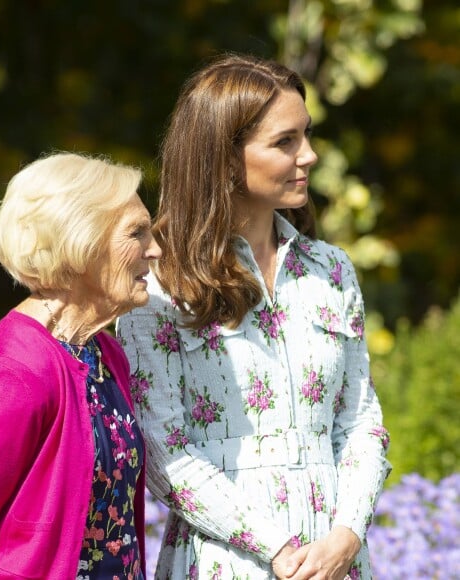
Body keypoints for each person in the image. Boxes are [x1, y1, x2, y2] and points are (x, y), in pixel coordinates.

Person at [117, 54, 391, 580]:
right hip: (224, 563)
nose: (308, 155)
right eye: (285, 142)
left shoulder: (331, 271)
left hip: (338, 563)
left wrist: (346, 537)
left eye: (306, 135)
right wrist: (279, 548)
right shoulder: (159, 283)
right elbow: (162, 449)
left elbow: (361, 423)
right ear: (223, 157)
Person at [0, 151, 162, 579]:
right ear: (81, 242)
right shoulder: (16, 373)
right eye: (137, 233)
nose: (156, 249)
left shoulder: (104, 354)